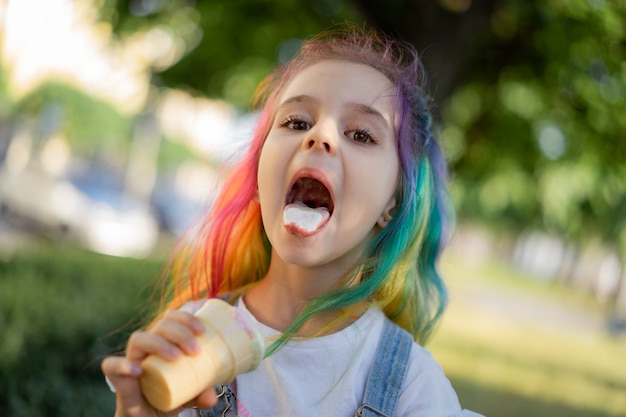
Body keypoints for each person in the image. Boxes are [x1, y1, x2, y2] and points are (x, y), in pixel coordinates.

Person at [102, 24, 484, 417]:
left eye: (361, 134)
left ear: (393, 202)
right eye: (297, 123)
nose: (320, 136)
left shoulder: (413, 387)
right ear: (258, 178)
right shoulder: (187, 337)